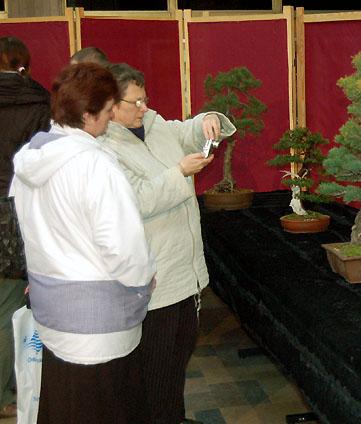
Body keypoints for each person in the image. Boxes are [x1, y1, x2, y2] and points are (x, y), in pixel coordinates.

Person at [10, 63, 156, 424]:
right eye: (108, 111)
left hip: (53, 313)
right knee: (107, 406)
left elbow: (28, 230)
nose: (110, 120)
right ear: (89, 115)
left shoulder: (32, 157)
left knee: (63, 406)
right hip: (99, 326)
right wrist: (144, 279)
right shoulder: (95, 166)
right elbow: (123, 249)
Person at [102, 62, 235, 424]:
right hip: (153, 280)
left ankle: (171, 417)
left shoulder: (154, 125)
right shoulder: (103, 149)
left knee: (178, 360)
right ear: (111, 106)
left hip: (184, 272)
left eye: (145, 99)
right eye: (136, 102)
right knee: (154, 369)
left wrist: (209, 120)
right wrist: (179, 174)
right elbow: (136, 201)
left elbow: (187, 130)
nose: (144, 107)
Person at [0, 35, 50, 419]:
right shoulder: (40, 102)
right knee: (12, 303)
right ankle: (16, 386)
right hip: (20, 212)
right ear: (25, 64)